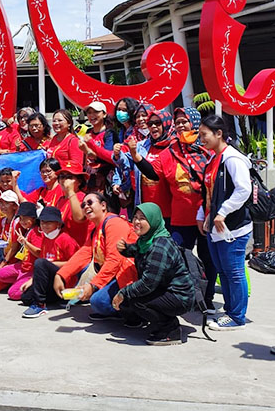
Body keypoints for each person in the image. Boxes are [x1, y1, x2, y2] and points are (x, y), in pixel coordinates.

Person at [133, 107, 216, 309]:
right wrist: (135, 155)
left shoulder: (208, 150)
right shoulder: (171, 151)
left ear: (194, 123)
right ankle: (185, 297)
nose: (180, 125)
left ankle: (207, 298)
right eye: (177, 122)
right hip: (180, 217)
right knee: (177, 258)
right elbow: (153, 174)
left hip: (205, 216)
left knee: (208, 258)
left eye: (184, 121)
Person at [197, 114, 252, 331]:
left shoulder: (232, 159)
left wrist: (223, 212)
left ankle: (237, 317)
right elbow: (209, 192)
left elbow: (244, 189)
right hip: (216, 228)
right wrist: (204, 215)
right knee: (223, 271)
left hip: (233, 228)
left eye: (204, 135)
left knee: (235, 271)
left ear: (219, 133)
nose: (201, 139)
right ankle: (230, 311)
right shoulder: (213, 159)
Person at [112, 202, 195, 345]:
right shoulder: (146, 239)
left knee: (134, 299)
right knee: (132, 297)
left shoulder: (159, 246)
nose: (137, 222)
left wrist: (123, 293)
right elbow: (138, 251)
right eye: (135, 217)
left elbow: (147, 284)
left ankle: (170, 329)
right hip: (166, 290)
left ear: (153, 220)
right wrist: (125, 249)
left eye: (142, 218)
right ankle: (159, 321)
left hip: (180, 297)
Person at [53, 192, 138, 323]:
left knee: (98, 302)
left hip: (128, 275)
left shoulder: (113, 223)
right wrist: (61, 275)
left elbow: (115, 260)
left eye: (90, 202)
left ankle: (132, 313)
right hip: (113, 274)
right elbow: (84, 254)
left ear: (103, 206)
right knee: (84, 272)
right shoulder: (96, 229)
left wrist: (93, 286)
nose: (86, 206)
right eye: (83, 204)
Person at [21, 206, 80, 317]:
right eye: (42, 222)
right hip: (51, 281)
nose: (44, 225)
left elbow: (77, 264)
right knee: (26, 297)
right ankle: (57, 300)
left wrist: (51, 264)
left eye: (48, 223)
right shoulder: (46, 238)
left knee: (40, 263)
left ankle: (40, 305)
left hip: (65, 281)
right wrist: (32, 280)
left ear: (58, 224)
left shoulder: (66, 239)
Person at [122, 106, 173, 223]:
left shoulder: (174, 147)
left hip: (169, 211)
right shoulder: (143, 145)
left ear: (166, 124)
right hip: (147, 209)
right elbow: (123, 161)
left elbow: (153, 173)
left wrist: (135, 155)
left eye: (157, 123)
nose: (153, 126)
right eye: (150, 124)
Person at [0, 202, 42, 300]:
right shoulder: (28, 230)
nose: (22, 221)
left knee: (13, 293)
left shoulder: (36, 231)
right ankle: (20, 281)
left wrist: (26, 243)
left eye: (25, 218)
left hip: (30, 270)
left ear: (33, 218)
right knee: (1, 274)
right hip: (22, 266)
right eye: (20, 218)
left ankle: (33, 283)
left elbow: (39, 253)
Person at [80, 101, 116, 191]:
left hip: (105, 179)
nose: (92, 115)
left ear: (104, 114)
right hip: (89, 177)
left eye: (96, 112)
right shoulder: (88, 132)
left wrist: (89, 151)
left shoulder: (109, 133)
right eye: (89, 113)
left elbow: (109, 158)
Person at [55, 162, 90, 247]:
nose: (64, 180)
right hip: (63, 247)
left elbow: (79, 218)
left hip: (79, 247)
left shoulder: (84, 198)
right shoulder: (60, 200)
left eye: (69, 177)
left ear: (79, 181)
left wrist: (70, 191)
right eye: (62, 177)